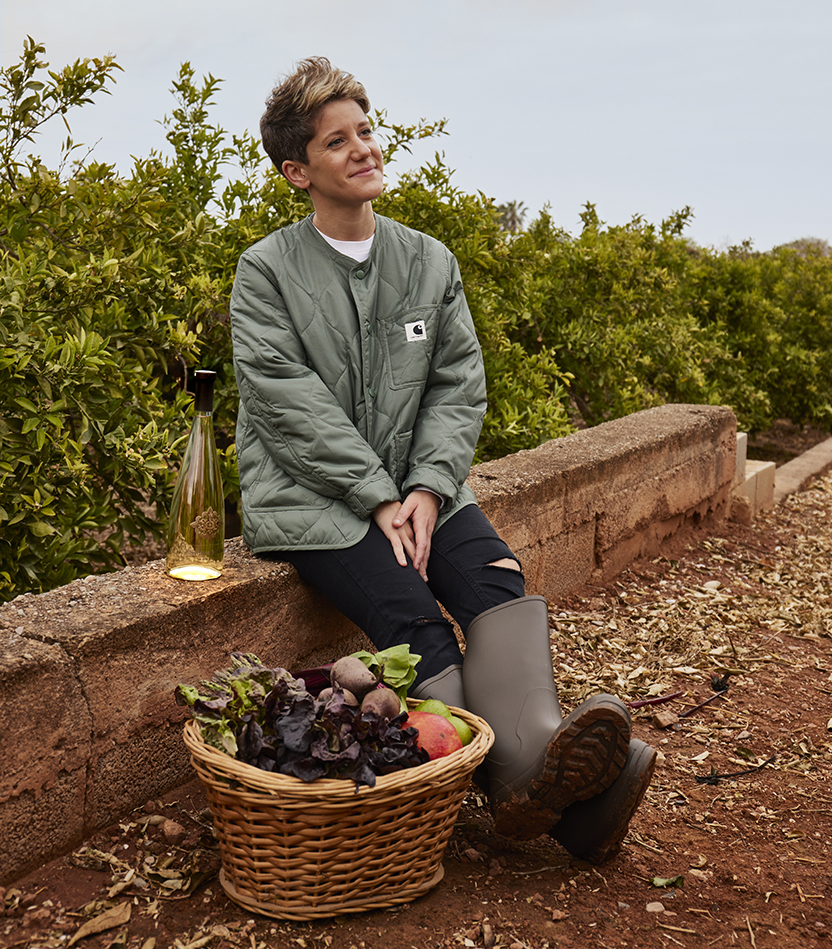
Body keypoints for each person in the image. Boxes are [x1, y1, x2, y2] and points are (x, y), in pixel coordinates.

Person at [229, 56, 655, 859]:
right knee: (414, 619)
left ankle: (538, 767)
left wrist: (425, 488)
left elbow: (458, 386)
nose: (363, 148)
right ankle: (525, 787)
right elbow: (286, 401)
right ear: (297, 171)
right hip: (311, 499)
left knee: (496, 578)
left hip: (420, 488)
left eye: (365, 130)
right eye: (337, 141)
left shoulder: (429, 261)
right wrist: (377, 496)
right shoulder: (265, 272)